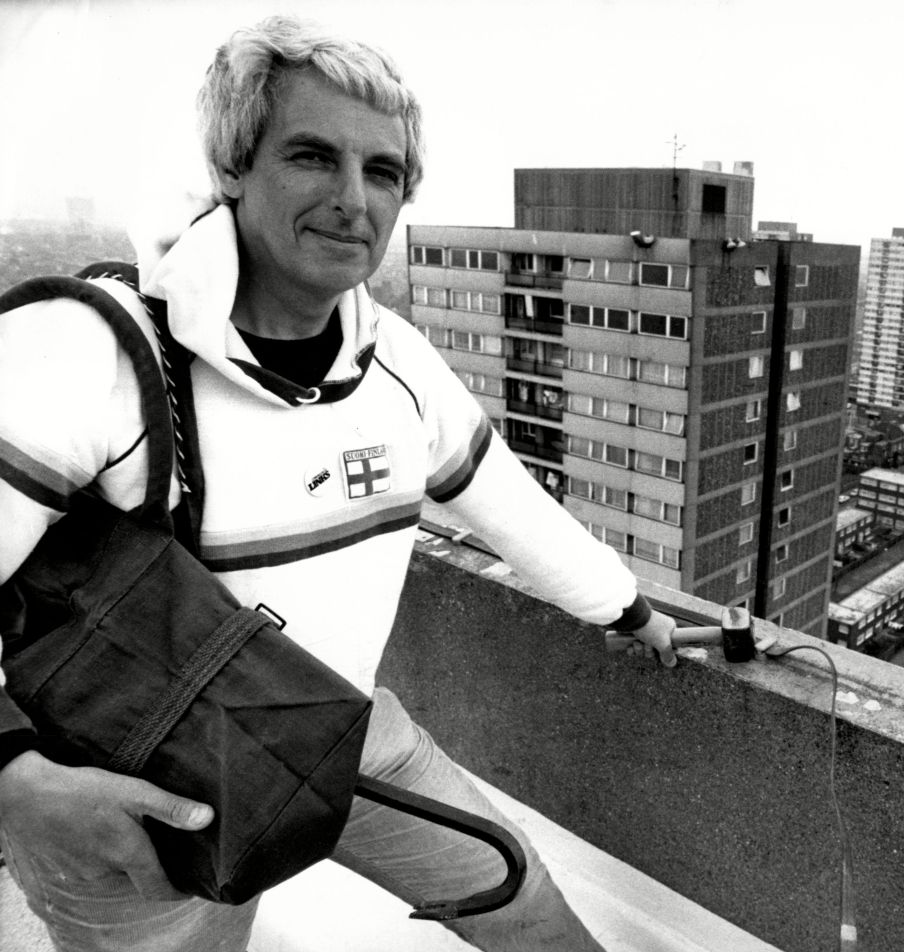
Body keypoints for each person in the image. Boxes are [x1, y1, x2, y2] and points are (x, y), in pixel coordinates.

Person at [0, 15, 676, 952]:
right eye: (313, 157)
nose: (354, 200)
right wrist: (14, 778)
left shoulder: (395, 361)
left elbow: (509, 505)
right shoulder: (90, 353)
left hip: (342, 740)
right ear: (233, 168)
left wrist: (630, 611)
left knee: (519, 901)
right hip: (153, 800)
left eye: (384, 172)